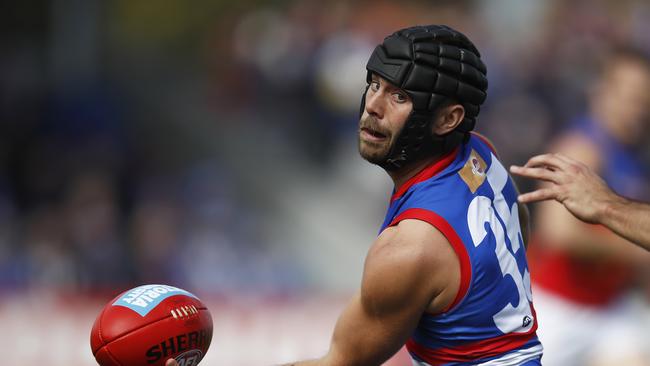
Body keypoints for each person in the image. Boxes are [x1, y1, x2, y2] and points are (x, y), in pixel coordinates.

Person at [169, 25, 543, 366]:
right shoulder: (481, 155)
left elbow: (341, 363)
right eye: (375, 84)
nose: (372, 108)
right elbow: (518, 232)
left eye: (399, 96)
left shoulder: (410, 248)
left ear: (448, 119)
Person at [519, 48, 650, 366]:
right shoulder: (579, 150)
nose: (636, 109)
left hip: (609, 307)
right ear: (602, 91)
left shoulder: (635, 155)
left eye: (644, 100)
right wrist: (634, 250)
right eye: (629, 96)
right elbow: (559, 234)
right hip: (556, 304)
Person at [510, 153, 650, 251]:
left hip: (605, 290)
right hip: (555, 289)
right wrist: (606, 207)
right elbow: (559, 234)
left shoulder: (637, 151)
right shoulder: (585, 149)